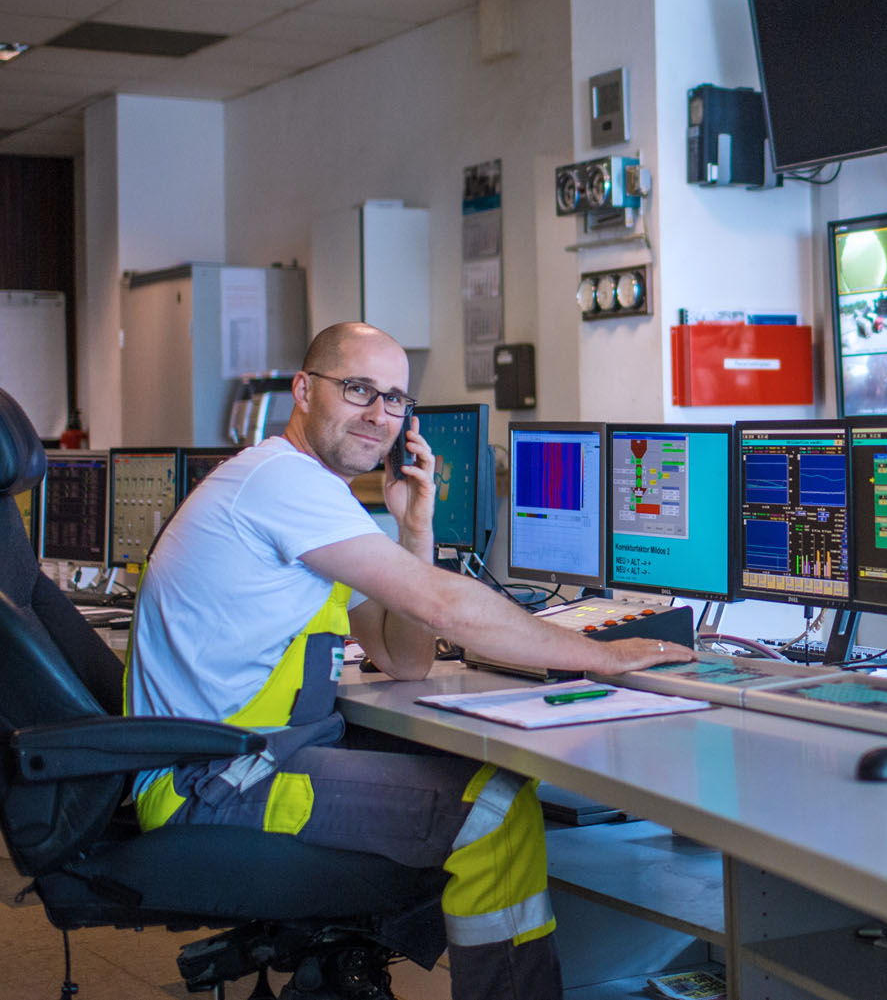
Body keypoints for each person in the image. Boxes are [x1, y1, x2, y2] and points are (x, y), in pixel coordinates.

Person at [125, 322, 693, 1000]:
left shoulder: (313, 496)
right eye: (358, 388)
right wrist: (599, 656)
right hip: (218, 782)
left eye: (395, 398)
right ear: (303, 390)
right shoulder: (283, 481)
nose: (379, 415)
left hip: (243, 759)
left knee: (487, 781)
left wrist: (415, 528)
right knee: (496, 811)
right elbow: (444, 608)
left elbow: (406, 659)